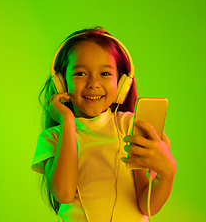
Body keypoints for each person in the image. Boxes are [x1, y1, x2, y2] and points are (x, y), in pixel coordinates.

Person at [31, 27, 176, 222]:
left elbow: (146, 205)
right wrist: (67, 121)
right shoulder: (53, 138)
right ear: (61, 83)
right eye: (80, 73)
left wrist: (167, 173)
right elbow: (63, 194)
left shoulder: (129, 127)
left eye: (105, 74)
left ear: (122, 83)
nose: (93, 83)